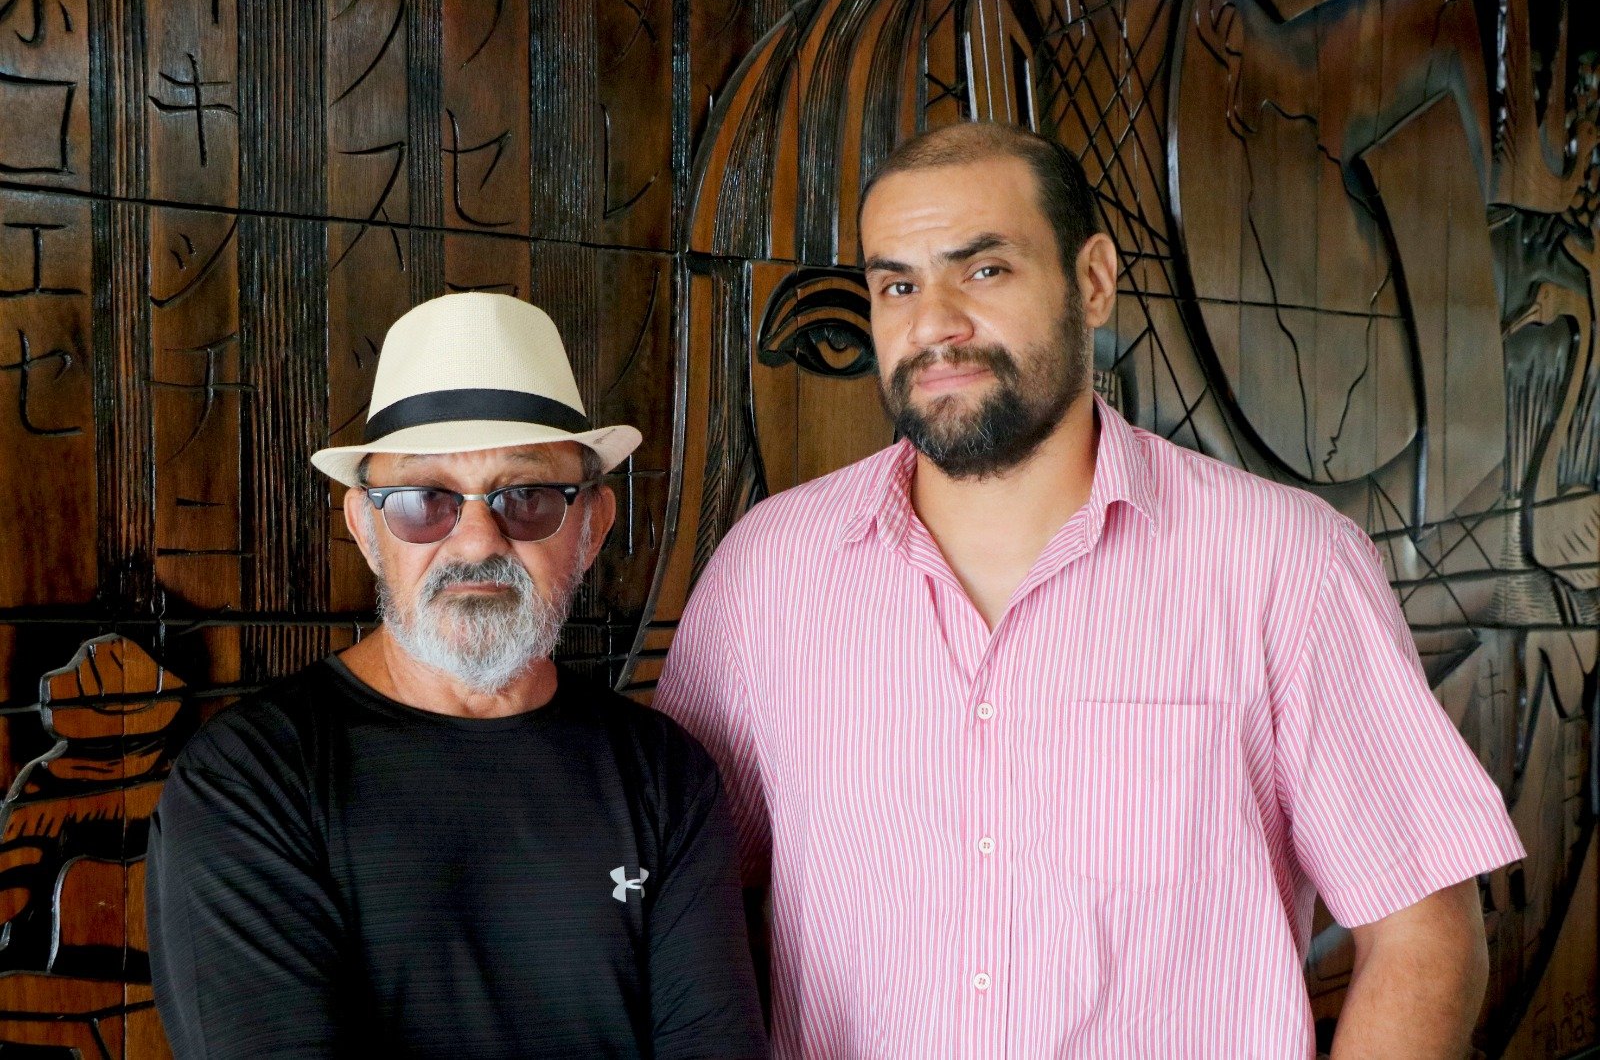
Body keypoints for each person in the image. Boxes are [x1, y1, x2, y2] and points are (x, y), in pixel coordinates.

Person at [655, 123, 1525, 1058]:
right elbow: (686, 902)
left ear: (1094, 278)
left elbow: (1424, 935)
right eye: (896, 284)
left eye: (983, 270)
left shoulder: (1284, 565)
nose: (933, 321)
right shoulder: (769, 574)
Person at [147, 292, 767, 1059]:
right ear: (368, 530)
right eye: (422, 500)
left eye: (528, 497)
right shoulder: (251, 780)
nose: (477, 541)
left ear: (592, 526)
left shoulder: (665, 774)